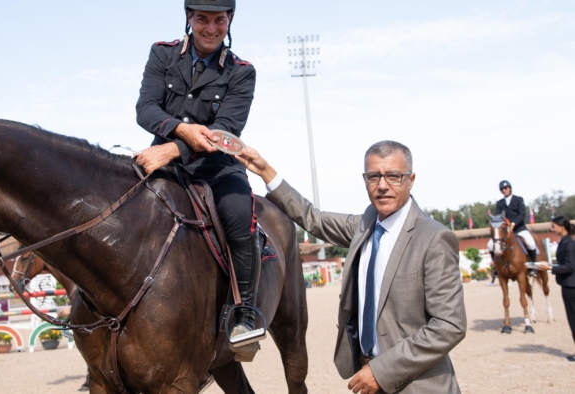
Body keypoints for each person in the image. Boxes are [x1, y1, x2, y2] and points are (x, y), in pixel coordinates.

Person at [237, 140, 467, 393]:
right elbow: (312, 218)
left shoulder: (434, 238)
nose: (382, 185)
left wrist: (381, 372)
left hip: (419, 386)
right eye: (373, 176)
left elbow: (449, 326)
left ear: (410, 180)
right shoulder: (365, 226)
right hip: (369, 380)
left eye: (393, 176)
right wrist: (266, 171)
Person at [134, 0, 263, 360]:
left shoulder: (242, 72)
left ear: (229, 20)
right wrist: (180, 132)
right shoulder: (162, 54)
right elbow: (146, 108)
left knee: (239, 213)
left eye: (219, 20)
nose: (211, 28)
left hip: (218, 167)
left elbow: (226, 131)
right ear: (189, 17)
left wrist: (173, 149)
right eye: (202, 19)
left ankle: (244, 315)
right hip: (162, 163)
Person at [537, 216, 575, 361]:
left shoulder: (568, 243)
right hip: (568, 284)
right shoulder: (565, 241)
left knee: (573, 318)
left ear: (562, 227)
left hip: (571, 285)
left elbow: (570, 266)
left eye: (554, 226)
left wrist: (550, 268)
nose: (551, 229)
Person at [488, 180, 539, 272]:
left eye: (505, 188)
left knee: (530, 242)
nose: (504, 190)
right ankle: (496, 266)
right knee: (490, 245)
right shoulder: (500, 203)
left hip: (519, 228)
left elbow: (522, 214)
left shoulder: (519, 199)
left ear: (510, 188)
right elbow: (498, 216)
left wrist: (514, 223)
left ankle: (533, 265)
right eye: (502, 189)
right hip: (505, 231)